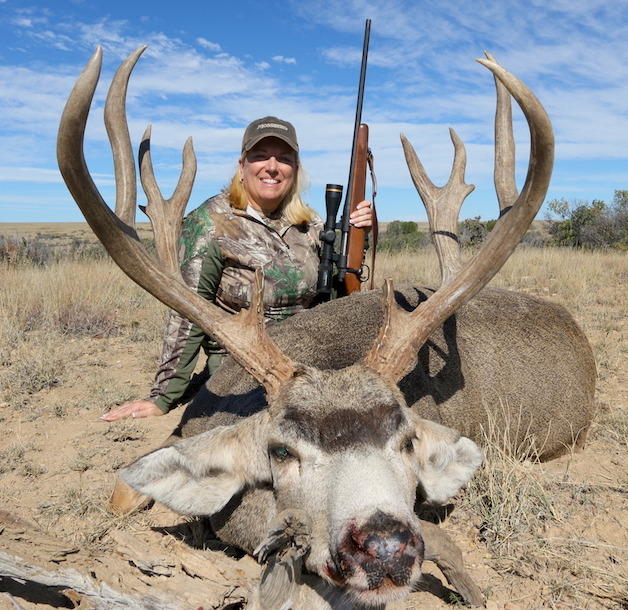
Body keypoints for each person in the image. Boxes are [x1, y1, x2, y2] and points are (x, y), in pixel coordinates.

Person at [101, 116, 373, 424]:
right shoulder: (212, 221)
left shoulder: (308, 225)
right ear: (241, 166)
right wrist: (164, 397)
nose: (272, 167)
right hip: (243, 372)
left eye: (284, 159)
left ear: (295, 170)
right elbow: (189, 309)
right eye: (260, 156)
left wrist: (357, 236)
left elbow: (332, 295)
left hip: (310, 362)